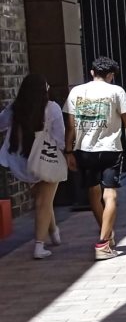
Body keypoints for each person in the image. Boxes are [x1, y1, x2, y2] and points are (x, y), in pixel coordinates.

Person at [64, 57, 126, 261]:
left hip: (83, 149)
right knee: (110, 195)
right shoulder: (116, 91)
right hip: (110, 149)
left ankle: (106, 234)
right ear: (111, 75)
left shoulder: (76, 92)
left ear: (92, 72)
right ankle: (103, 242)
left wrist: (68, 151)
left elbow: (71, 127)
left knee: (93, 192)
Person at [0, 73, 65, 260]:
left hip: (23, 162)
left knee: (44, 200)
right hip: (46, 159)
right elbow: (59, 138)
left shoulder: (15, 108)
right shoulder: (52, 109)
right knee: (43, 202)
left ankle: (53, 232)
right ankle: (39, 245)